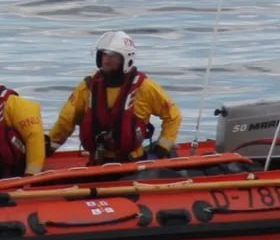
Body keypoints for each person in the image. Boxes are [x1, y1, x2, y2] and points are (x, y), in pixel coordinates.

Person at [46, 30, 182, 163]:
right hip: (98, 161)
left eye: (112, 56)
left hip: (132, 162)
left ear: (126, 59)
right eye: (103, 55)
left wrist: (163, 146)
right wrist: (48, 147)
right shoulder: (88, 86)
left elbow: (173, 116)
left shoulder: (144, 87)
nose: (106, 60)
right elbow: (66, 120)